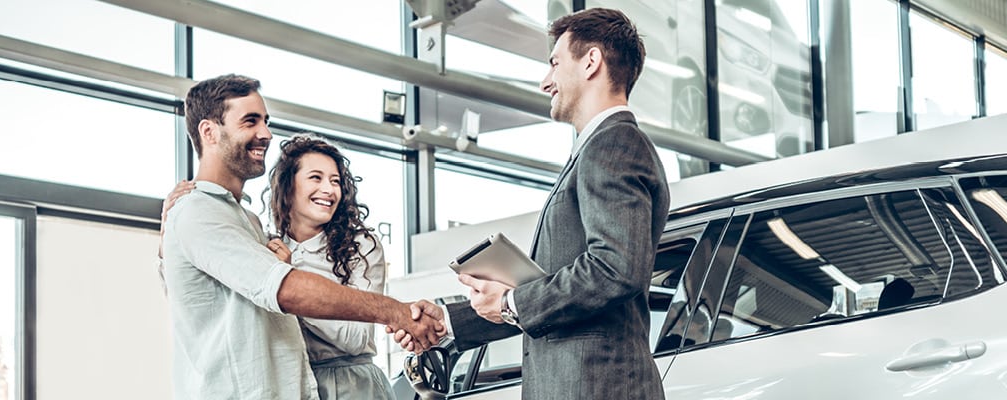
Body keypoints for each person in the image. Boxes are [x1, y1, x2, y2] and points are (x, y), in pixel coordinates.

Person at [396, 8, 670, 400]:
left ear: (591, 61)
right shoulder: (598, 148)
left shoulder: (614, 143)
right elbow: (565, 295)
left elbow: (615, 268)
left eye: (554, 64)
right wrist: (450, 322)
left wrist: (511, 301)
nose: (546, 82)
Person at [160, 74, 443, 399]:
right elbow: (284, 288)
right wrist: (395, 311)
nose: (265, 134)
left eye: (266, 122)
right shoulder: (199, 210)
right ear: (209, 132)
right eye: (250, 121)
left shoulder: (248, 221)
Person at [163, 134, 394, 399]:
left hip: (355, 386)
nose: (330, 190)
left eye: (336, 181)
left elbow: (354, 338)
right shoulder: (266, 246)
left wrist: (288, 286)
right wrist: (167, 231)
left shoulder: (361, 247)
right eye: (316, 178)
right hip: (295, 383)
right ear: (288, 186)